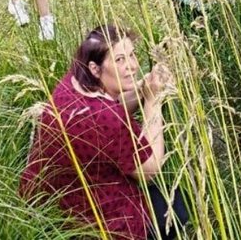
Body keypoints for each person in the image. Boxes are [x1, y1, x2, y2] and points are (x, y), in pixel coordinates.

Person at [21, 24, 189, 239]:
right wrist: (153, 99)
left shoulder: (73, 82)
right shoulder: (106, 119)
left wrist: (142, 90)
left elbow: (112, 106)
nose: (133, 66)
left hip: (48, 206)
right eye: (119, 60)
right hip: (97, 224)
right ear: (95, 68)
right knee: (175, 204)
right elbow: (149, 169)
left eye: (132, 55)